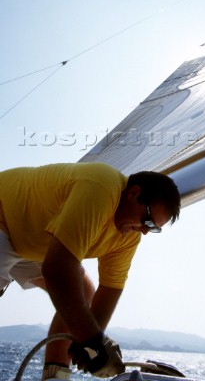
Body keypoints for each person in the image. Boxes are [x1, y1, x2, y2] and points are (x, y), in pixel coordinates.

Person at [0, 162, 181, 380]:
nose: (144, 231)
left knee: (83, 293)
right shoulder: (102, 187)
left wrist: (90, 346)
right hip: (4, 215)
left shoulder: (128, 237)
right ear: (134, 193)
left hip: (29, 244)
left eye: (153, 228)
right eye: (147, 221)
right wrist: (91, 339)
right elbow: (57, 270)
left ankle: (55, 377)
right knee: (69, 285)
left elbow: (110, 288)